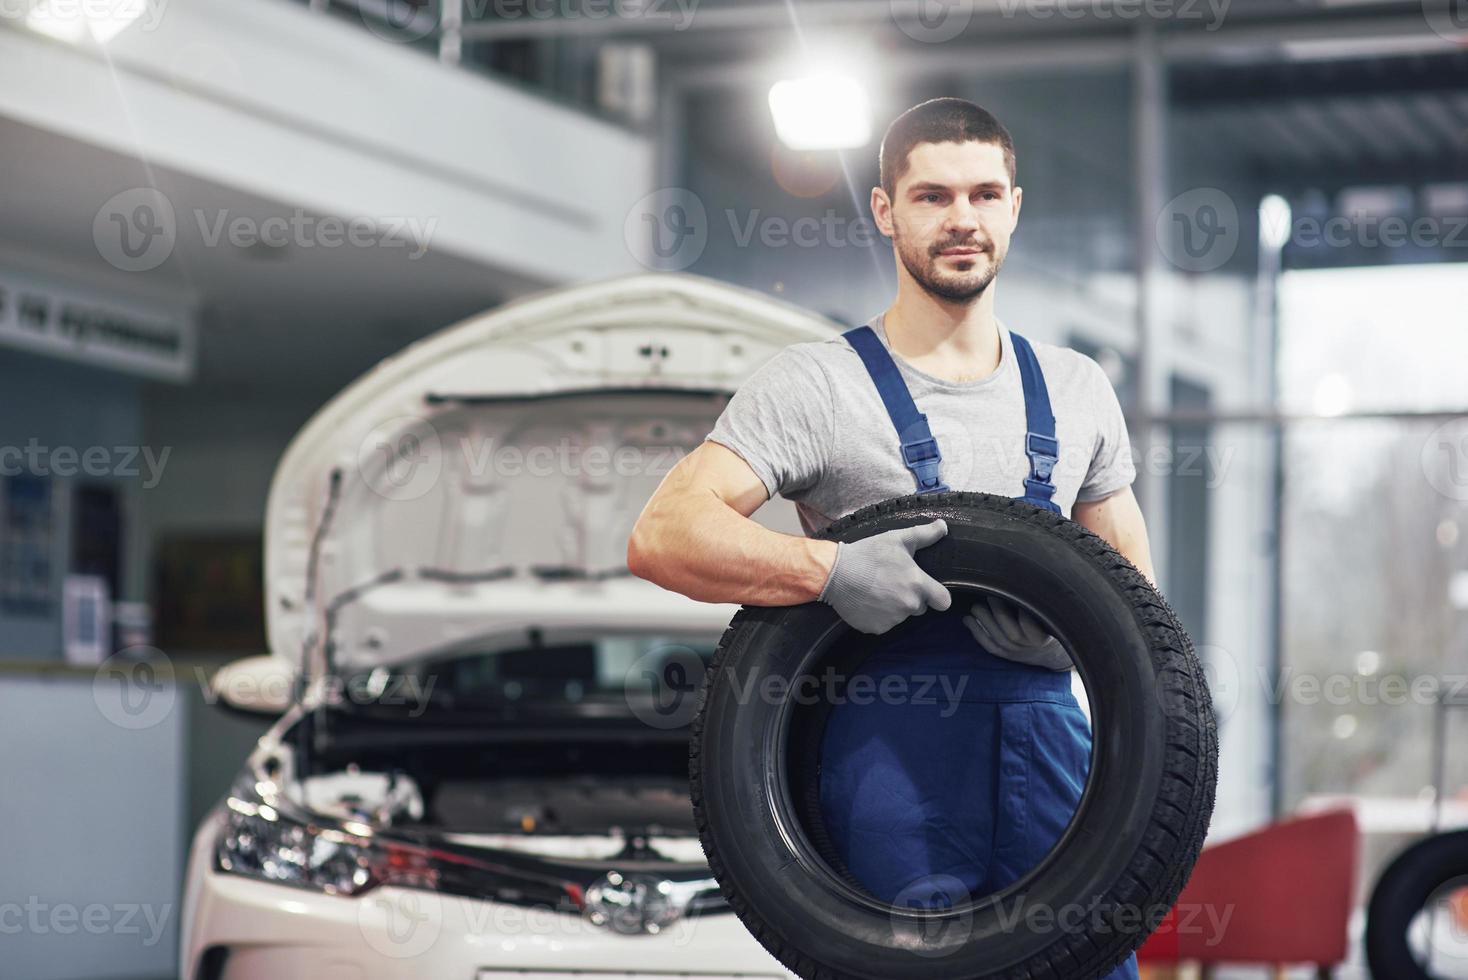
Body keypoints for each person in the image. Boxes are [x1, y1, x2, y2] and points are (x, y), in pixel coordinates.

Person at [627, 97, 1156, 980]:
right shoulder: (815, 387)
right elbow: (664, 533)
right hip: (886, 750)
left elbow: (1136, 588)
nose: (963, 220)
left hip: (1053, 745)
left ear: (1014, 208)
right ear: (885, 211)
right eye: (932, 196)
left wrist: (1066, 634)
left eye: (986, 194)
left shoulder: (1077, 388)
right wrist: (827, 568)